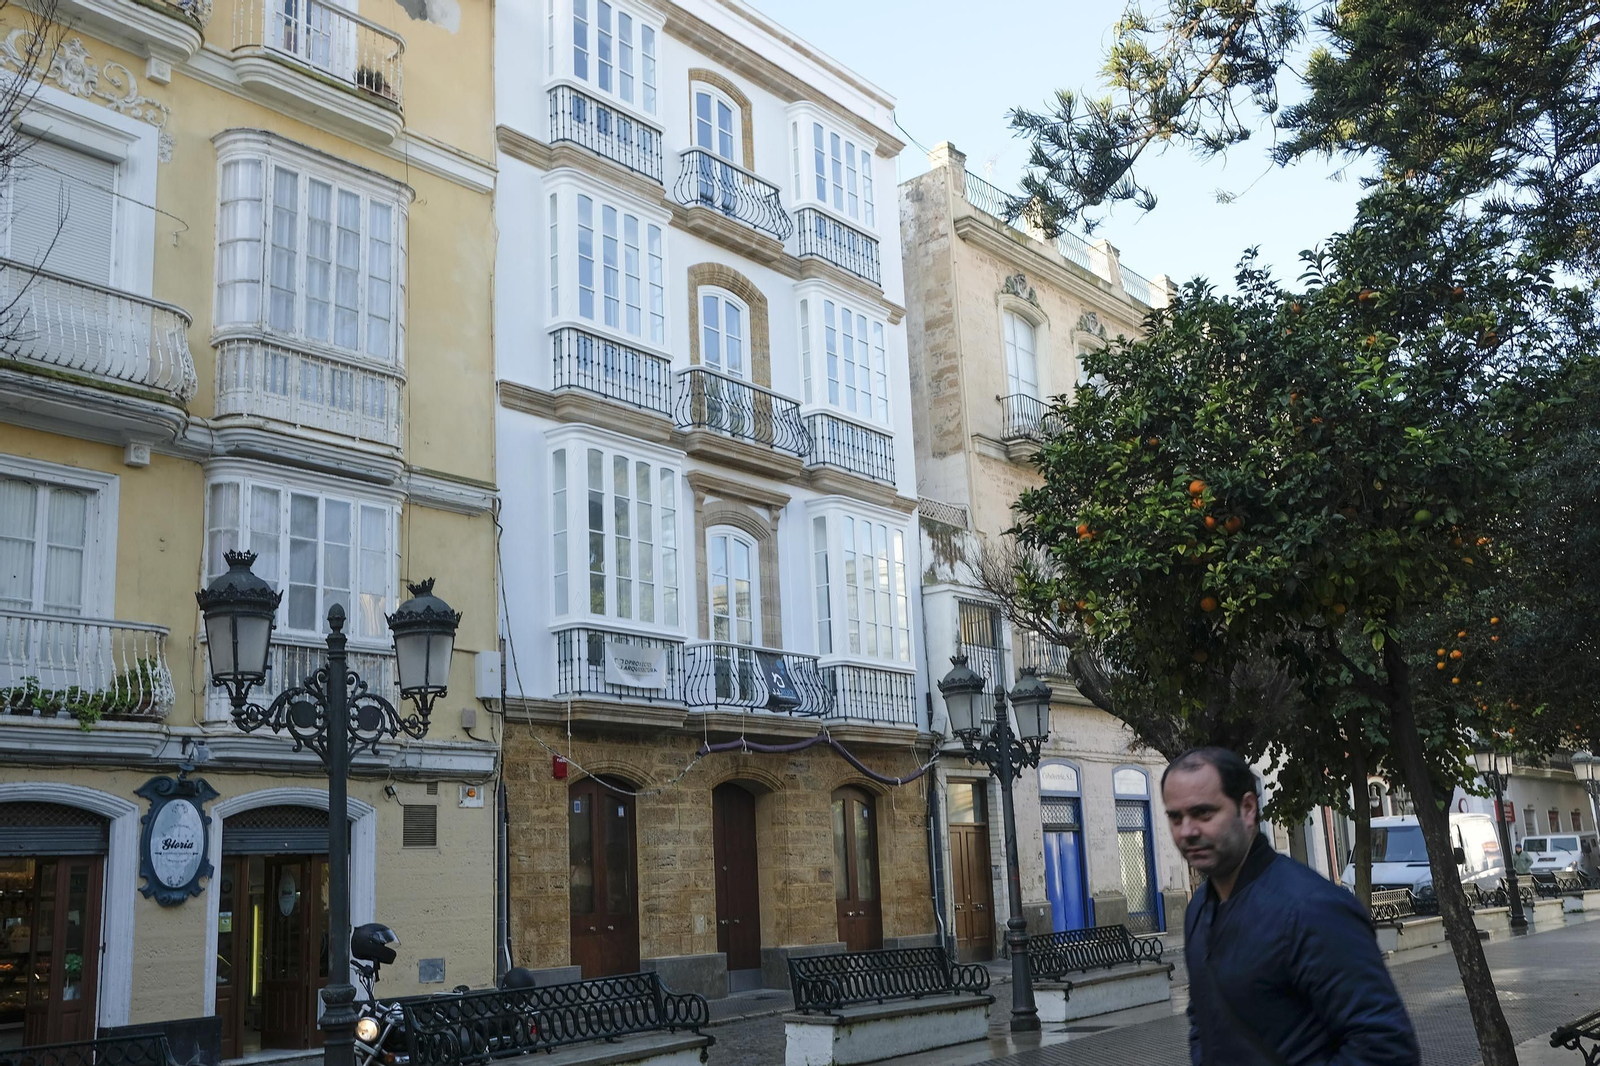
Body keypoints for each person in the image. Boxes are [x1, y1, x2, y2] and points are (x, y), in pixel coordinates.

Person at [1164, 747, 1419, 1065]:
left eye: (1204, 813)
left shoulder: (1313, 909)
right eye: (1176, 817)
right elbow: (1202, 1019)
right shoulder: (1199, 909)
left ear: (1247, 809)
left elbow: (1386, 1048)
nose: (1187, 831)